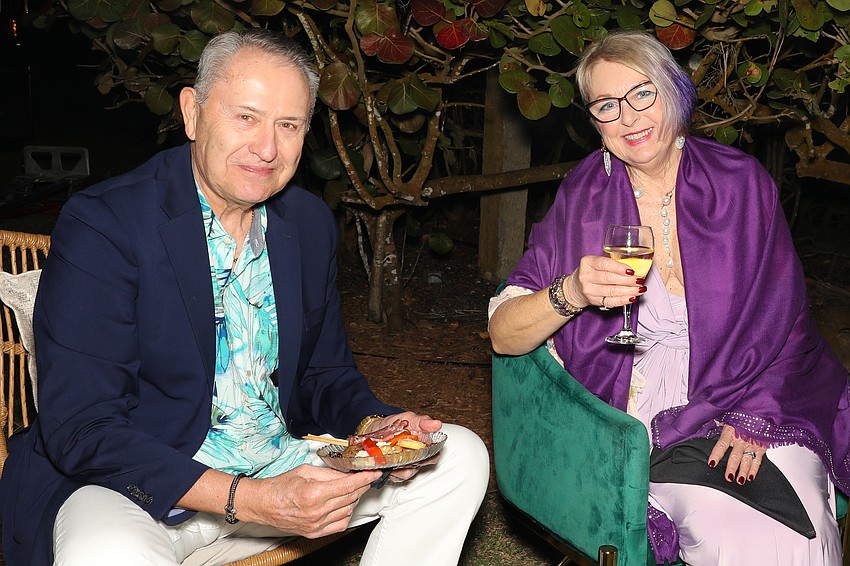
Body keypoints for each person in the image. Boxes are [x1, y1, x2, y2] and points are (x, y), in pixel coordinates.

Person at [0, 28, 489, 566]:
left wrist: (380, 428)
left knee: (458, 457)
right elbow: (83, 427)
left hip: (275, 465)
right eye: (246, 117)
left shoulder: (304, 224)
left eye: (289, 126)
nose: (267, 148)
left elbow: (325, 376)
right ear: (192, 112)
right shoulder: (105, 224)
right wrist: (245, 499)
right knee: (107, 553)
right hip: (141, 492)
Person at [488, 30, 850, 565]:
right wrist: (574, 291)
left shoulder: (740, 181)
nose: (629, 117)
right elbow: (504, 333)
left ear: (673, 91)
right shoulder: (581, 196)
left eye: (642, 93)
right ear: (593, 120)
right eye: (607, 105)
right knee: (725, 522)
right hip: (631, 410)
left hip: (748, 390)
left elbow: (786, 319)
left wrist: (757, 412)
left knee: (792, 527)